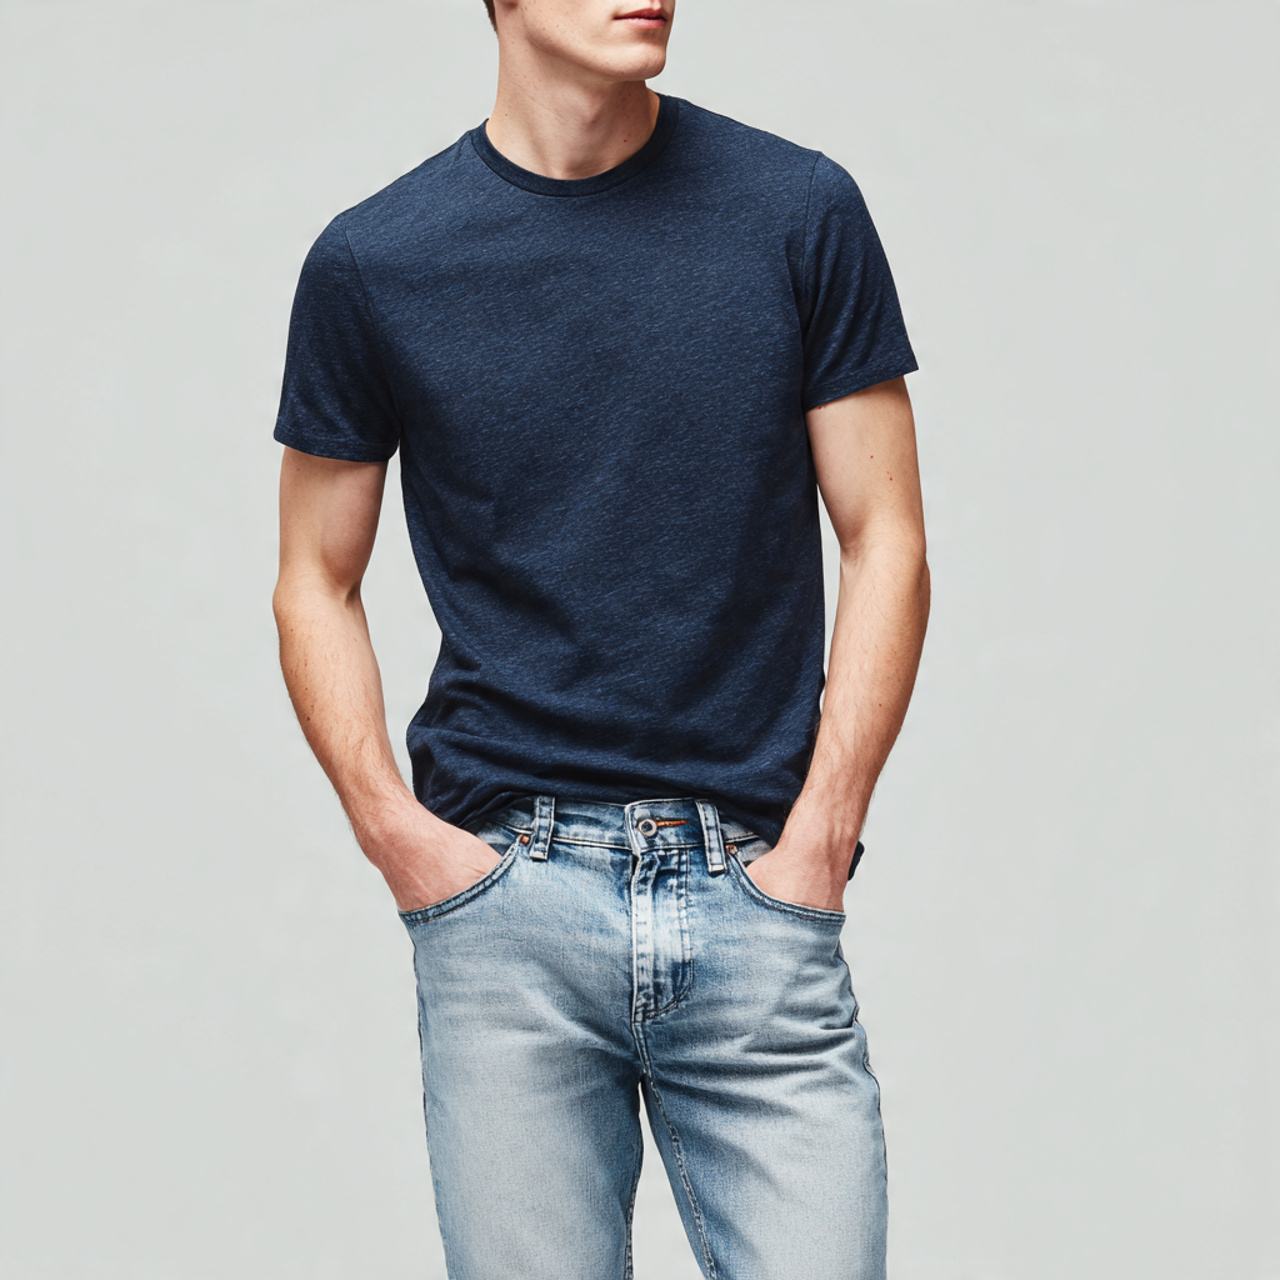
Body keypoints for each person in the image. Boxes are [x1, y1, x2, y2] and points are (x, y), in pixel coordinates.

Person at [271, 0, 929, 1275]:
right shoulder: (375, 261)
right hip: (506, 905)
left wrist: (823, 834)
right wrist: (397, 836)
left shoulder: (797, 210)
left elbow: (886, 535)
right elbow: (312, 579)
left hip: (755, 885)